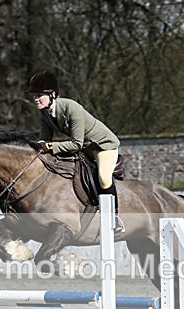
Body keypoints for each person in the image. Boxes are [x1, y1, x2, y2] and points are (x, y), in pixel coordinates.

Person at [24, 70, 125, 234]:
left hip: (102, 145)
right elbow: (45, 139)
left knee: (104, 178)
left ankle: (114, 218)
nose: (35, 99)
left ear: (52, 95)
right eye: (34, 96)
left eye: (39, 95)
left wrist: (51, 147)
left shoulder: (71, 108)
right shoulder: (44, 112)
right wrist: (38, 145)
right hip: (85, 148)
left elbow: (76, 143)